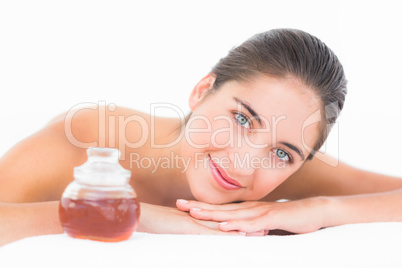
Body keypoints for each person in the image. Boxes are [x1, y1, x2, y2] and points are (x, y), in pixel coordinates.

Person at [1, 28, 401, 246]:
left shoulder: (282, 173)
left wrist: (318, 210)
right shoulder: (84, 142)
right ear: (201, 90)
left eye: (282, 153)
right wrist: (133, 215)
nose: (245, 160)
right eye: (243, 119)